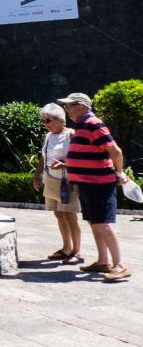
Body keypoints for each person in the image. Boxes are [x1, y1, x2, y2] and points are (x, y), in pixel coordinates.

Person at [58, 92, 131, 281]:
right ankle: (103, 261)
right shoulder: (82, 125)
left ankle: (120, 265)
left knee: (103, 224)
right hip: (87, 183)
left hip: (99, 183)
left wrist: (120, 172)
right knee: (95, 223)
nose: (67, 110)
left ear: (82, 106)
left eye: (70, 106)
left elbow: (115, 150)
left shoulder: (93, 123)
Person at [32, 103, 81, 265]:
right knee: (59, 214)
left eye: (48, 120)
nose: (45, 124)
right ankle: (66, 248)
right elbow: (43, 157)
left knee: (70, 216)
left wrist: (65, 165)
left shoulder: (71, 135)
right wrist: (37, 175)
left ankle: (77, 251)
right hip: (51, 180)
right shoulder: (48, 136)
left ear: (61, 120)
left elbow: (82, 158)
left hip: (68, 182)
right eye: (43, 121)